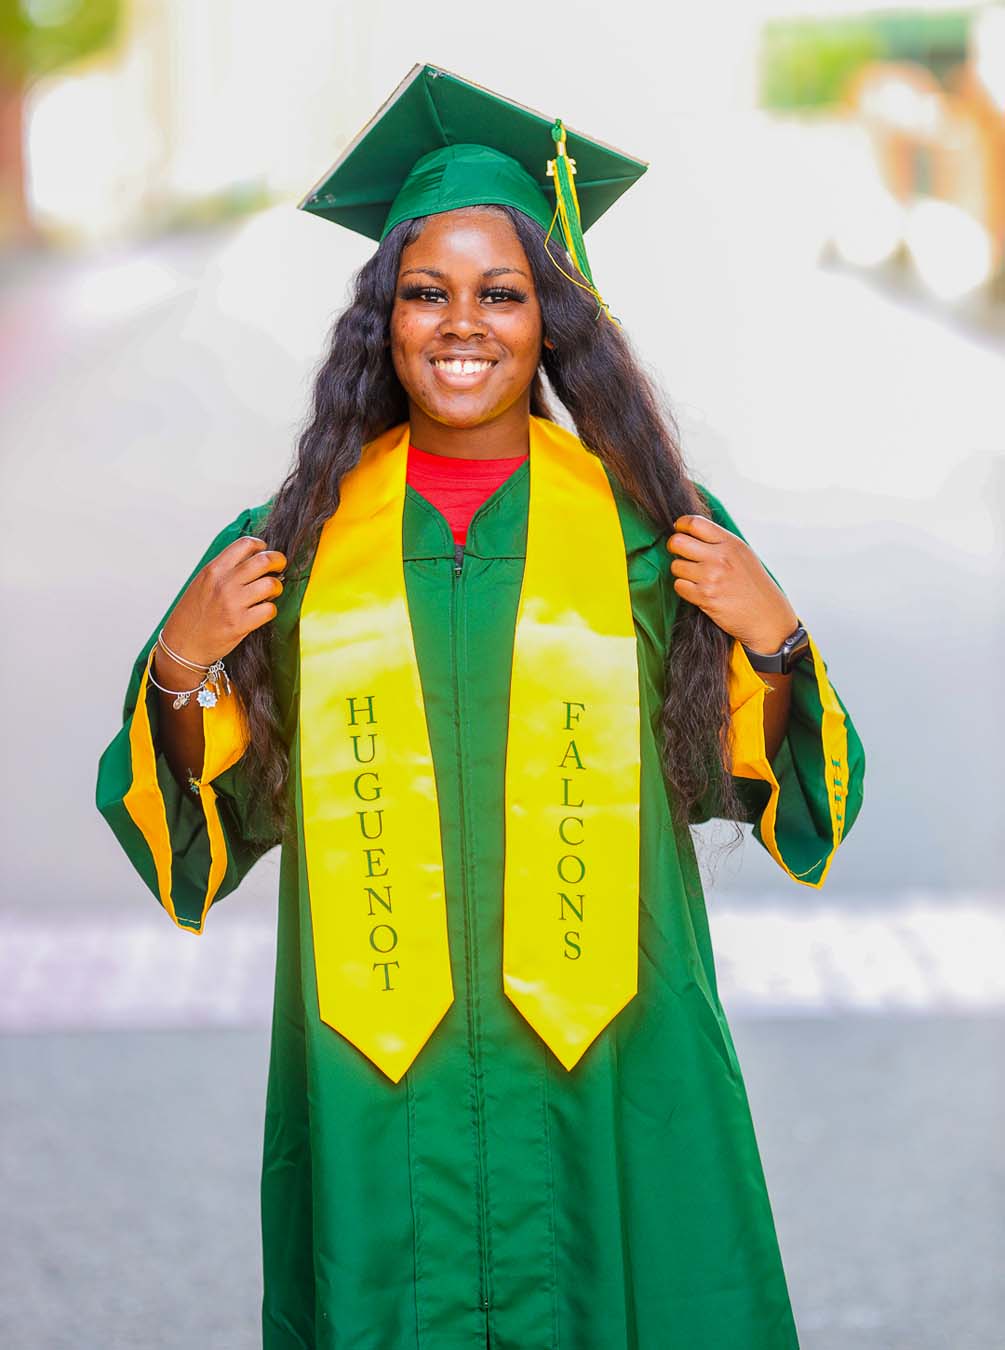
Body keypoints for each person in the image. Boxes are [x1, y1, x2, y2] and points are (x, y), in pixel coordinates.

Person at [96, 64, 865, 1350]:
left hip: (612, 1045)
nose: (465, 324)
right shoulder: (291, 541)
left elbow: (763, 783)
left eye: (501, 293)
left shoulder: (650, 526)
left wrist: (776, 634)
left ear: (549, 320)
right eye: (427, 293)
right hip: (376, 1060)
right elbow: (213, 807)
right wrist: (181, 666)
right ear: (384, 324)